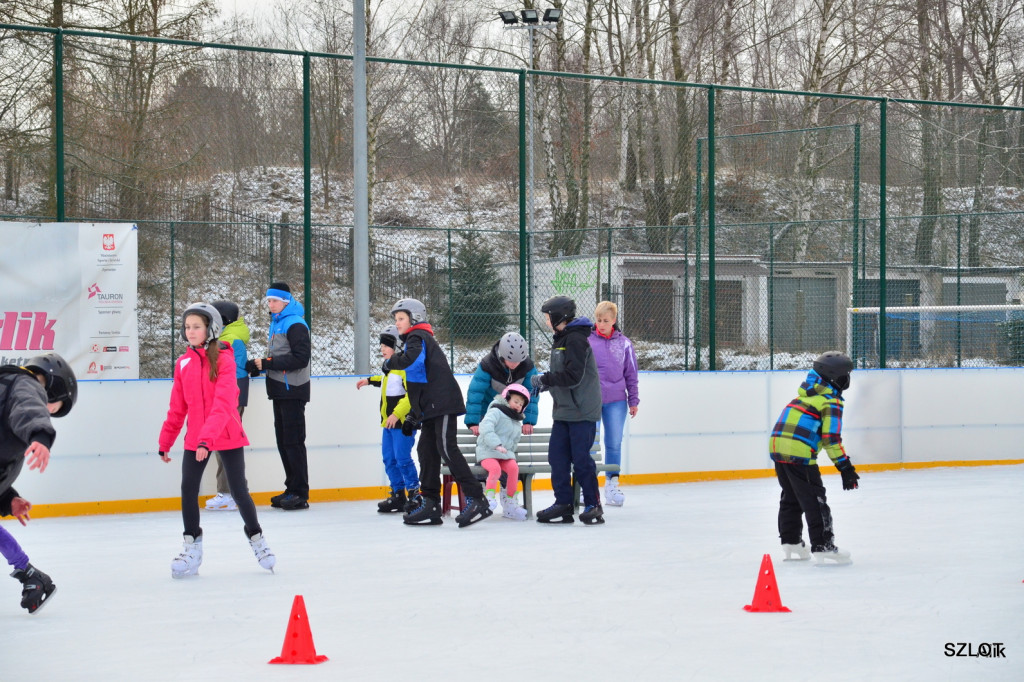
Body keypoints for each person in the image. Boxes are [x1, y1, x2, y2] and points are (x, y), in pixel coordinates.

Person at [159, 303, 276, 578]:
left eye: (196, 326)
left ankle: (257, 538)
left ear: (210, 328)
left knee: (238, 491)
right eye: (187, 327)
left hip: (225, 433)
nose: (190, 331)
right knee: (188, 488)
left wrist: (206, 441)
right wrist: (166, 440)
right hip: (197, 438)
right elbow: (177, 407)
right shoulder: (183, 363)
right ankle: (191, 547)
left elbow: (224, 404)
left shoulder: (224, 358)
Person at [384, 298, 491, 528]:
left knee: (446, 448)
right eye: (396, 319)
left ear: (415, 319)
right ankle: (431, 502)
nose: (398, 323)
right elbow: (420, 381)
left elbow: (409, 361)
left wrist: (391, 362)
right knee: (426, 450)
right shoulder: (414, 341)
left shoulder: (418, 337)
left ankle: (477, 498)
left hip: (442, 404)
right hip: (431, 407)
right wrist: (415, 413)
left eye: (401, 318)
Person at [0, 352, 77, 614]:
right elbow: (29, 407)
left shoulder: (8, 386)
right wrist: (41, 435)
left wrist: (7, 498)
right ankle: (30, 574)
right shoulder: (28, 384)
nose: (48, 413)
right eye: (53, 408)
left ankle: (30, 574)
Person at [769, 351, 859, 565]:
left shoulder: (804, 395)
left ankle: (791, 542)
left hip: (777, 447)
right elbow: (831, 439)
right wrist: (845, 467)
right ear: (836, 377)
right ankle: (823, 545)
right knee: (815, 500)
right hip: (799, 452)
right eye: (846, 375)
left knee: (791, 497)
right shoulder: (831, 402)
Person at [530, 295, 605, 525]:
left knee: (581, 459)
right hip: (564, 409)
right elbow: (563, 375)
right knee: (557, 457)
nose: (546, 321)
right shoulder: (562, 338)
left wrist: (545, 379)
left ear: (558, 316)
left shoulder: (576, 339)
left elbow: (573, 376)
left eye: (547, 316)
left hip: (581, 410)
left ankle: (593, 505)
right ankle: (563, 503)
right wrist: (545, 384)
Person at [245, 282, 312, 511]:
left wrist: (268, 363)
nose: (270, 304)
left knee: (293, 442)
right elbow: (280, 357)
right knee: (284, 442)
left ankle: (300, 493)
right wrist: (260, 366)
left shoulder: (295, 324)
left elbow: (300, 359)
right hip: (279, 389)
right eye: (269, 301)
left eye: (274, 300)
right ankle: (291, 488)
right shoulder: (278, 323)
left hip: (293, 390)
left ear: (285, 301)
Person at [356, 324, 420, 514]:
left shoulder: (405, 369)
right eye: (381, 346)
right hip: (388, 424)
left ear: (399, 347)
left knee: (402, 459)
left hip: (402, 424)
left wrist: (396, 414)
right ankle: (398, 494)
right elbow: (385, 382)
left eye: (387, 346)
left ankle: (414, 495)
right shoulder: (389, 369)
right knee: (389, 460)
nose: (382, 349)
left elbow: (411, 396)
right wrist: (369, 380)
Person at [588, 301, 640, 507]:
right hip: (592, 400)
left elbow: (631, 374)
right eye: (599, 320)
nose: (601, 324)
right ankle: (588, 486)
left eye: (606, 321)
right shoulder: (587, 341)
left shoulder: (624, 344)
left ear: (614, 321)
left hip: (617, 401)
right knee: (590, 442)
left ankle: (612, 484)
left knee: (613, 443)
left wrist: (633, 400)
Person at [204, 299, 251, 512]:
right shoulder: (226, 336)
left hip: (230, 396)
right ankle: (230, 492)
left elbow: (229, 368)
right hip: (230, 395)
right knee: (222, 444)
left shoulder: (229, 339)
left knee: (226, 444)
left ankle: (229, 493)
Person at [464, 332, 540, 437]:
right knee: (486, 444)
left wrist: (529, 422)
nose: (514, 364)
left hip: (511, 413)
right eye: (511, 360)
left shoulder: (527, 367)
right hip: (487, 411)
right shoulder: (487, 365)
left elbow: (532, 393)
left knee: (507, 444)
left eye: (518, 361)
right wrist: (473, 422)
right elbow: (475, 393)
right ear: (502, 355)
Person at [476, 383, 530, 521]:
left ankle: (511, 504)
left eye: (521, 404)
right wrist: (496, 444)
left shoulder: (516, 420)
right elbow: (485, 427)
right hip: (488, 451)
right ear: (507, 398)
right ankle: (489, 498)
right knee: (495, 469)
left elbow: (514, 440)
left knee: (513, 468)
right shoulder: (496, 411)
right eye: (515, 401)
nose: (518, 405)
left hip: (504, 454)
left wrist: (509, 452)